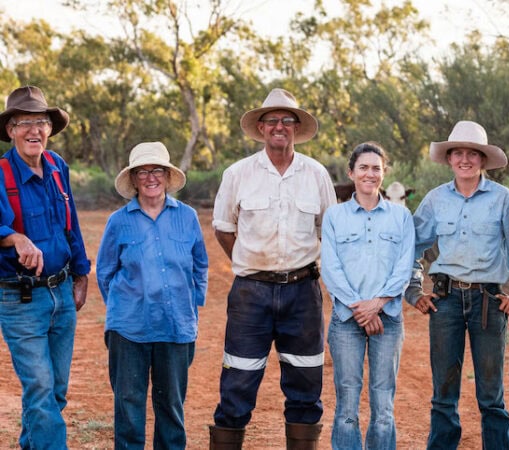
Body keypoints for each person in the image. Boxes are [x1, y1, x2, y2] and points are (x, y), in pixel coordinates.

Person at [210, 88, 336, 449]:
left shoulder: (316, 174)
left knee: (305, 386)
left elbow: (328, 229)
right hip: (251, 294)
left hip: (303, 293)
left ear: (296, 127)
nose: (279, 126)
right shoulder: (238, 174)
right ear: (261, 127)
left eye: (287, 120)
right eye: (272, 120)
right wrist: (252, 262)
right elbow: (223, 228)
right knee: (237, 384)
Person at [405, 120, 509, 450]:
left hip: (489, 301)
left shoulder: (504, 201)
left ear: (483, 160)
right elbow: (412, 245)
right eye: (458, 153)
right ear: (449, 158)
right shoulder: (436, 200)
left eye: (473, 154)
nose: (465, 159)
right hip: (445, 298)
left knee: (491, 392)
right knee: (443, 391)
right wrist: (413, 290)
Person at [96, 142, 208, 449]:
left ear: (168, 175)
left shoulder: (187, 216)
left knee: (171, 405)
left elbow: (200, 263)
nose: (150, 177)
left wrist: (192, 304)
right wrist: (124, 306)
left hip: (176, 325)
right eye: (142, 171)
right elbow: (105, 271)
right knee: (128, 404)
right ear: (133, 179)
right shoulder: (118, 221)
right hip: (129, 328)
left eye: (156, 169)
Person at [0, 85, 91, 449]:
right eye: (24, 123)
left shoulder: (58, 168)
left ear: (49, 129)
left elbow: (72, 225)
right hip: (20, 299)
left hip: (62, 294)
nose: (33, 131)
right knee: (40, 387)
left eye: (40, 122)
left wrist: (82, 273)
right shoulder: (1, 174)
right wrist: (14, 238)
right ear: (10, 130)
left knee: (53, 391)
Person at [321, 142, 415, 450]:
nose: (369, 174)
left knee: (383, 398)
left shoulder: (400, 218)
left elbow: (404, 267)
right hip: (346, 321)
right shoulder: (335, 216)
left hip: (387, 319)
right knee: (347, 399)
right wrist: (358, 309)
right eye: (363, 167)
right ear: (351, 173)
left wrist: (377, 305)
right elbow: (331, 268)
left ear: (384, 173)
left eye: (376, 168)